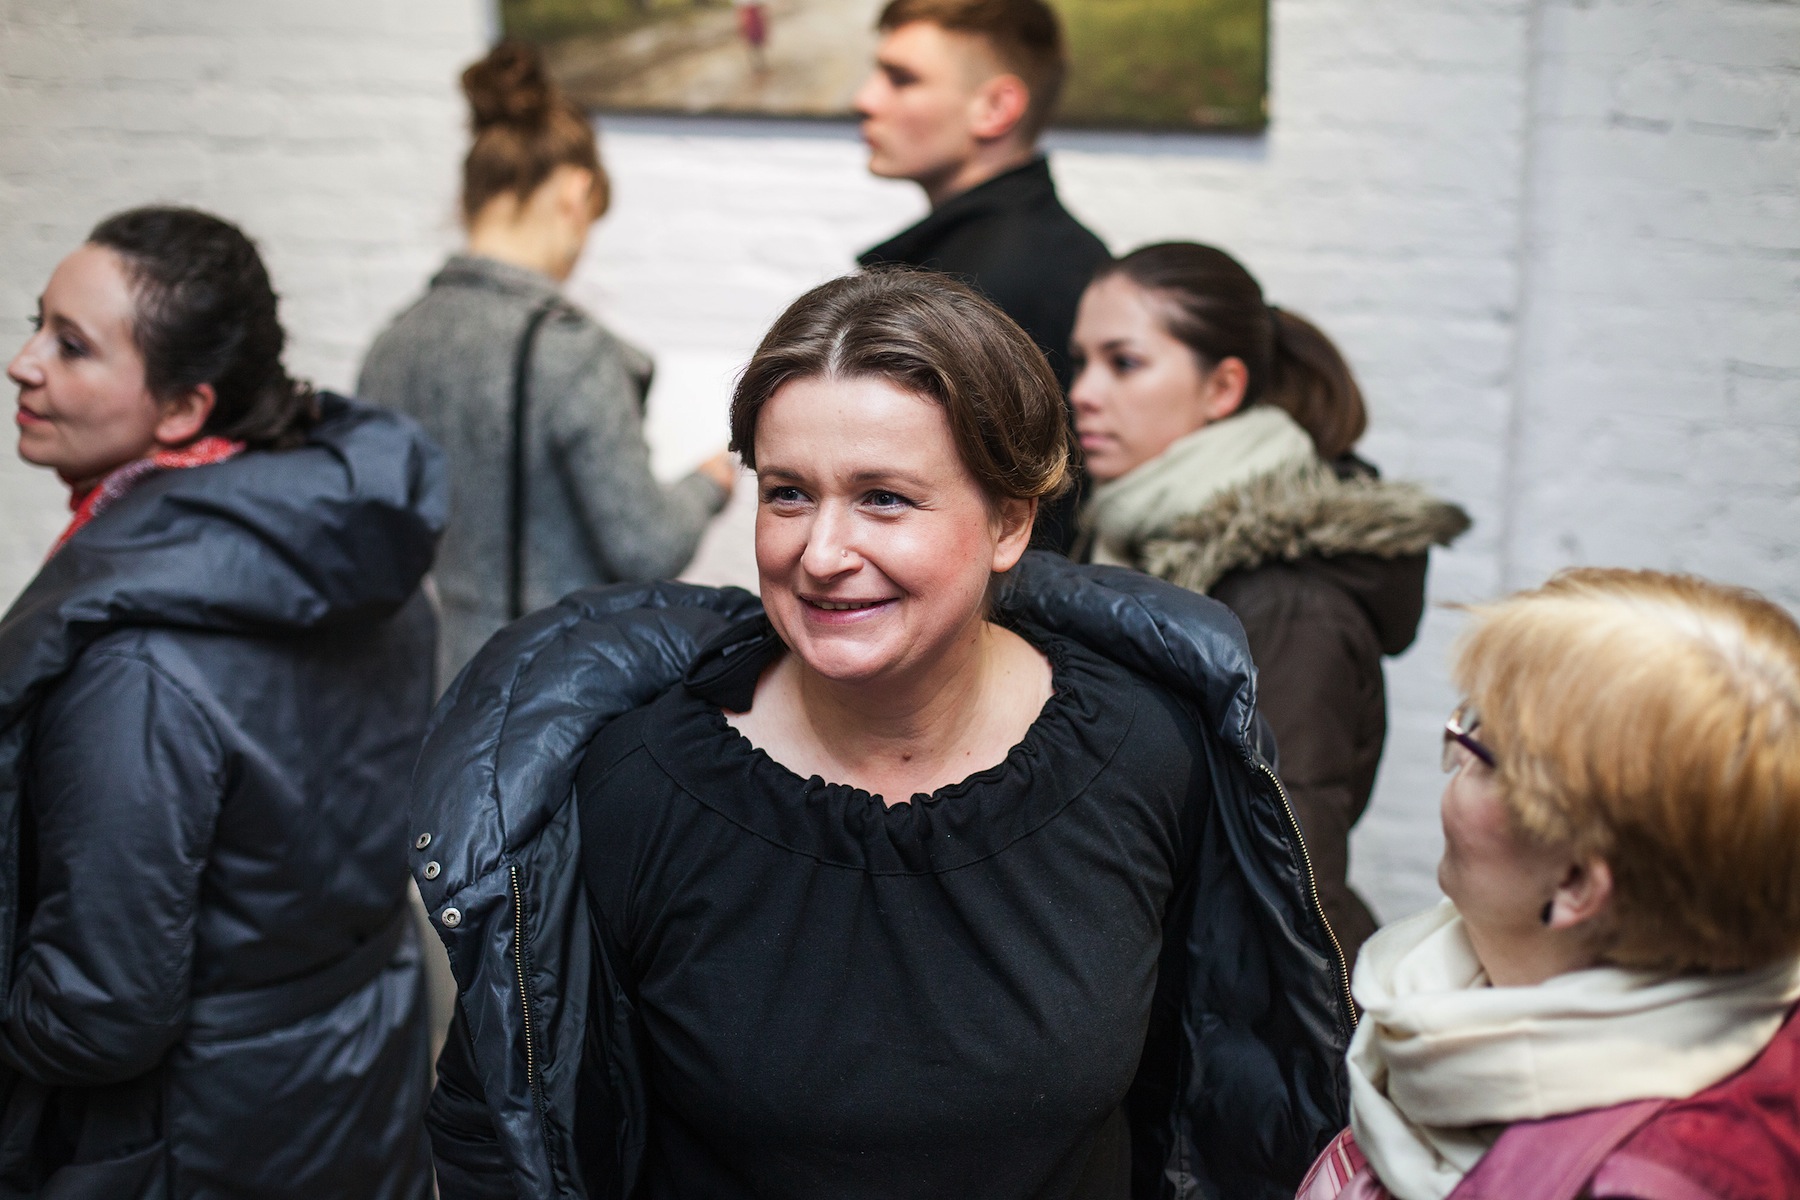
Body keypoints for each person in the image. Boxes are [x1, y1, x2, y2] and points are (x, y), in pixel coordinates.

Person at [410, 270, 1352, 1199]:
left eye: (884, 498)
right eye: (788, 493)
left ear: (1009, 521)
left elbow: (1204, 1104)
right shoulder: (637, 788)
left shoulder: (1146, 757)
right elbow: (501, 1133)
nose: (821, 554)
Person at [0, 206, 441, 1197]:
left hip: (197, 1134)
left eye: (72, 346)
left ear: (183, 409)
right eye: (37, 327)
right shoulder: (361, 560)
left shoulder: (134, 665)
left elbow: (99, 1013)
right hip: (356, 1069)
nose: (24, 364)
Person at [1298, 568, 1800, 1200]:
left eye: (1484, 746)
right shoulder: (1445, 999)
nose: (1457, 749)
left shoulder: (1643, 1181)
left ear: (1574, 884)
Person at [1069, 243, 1470, 965]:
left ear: (1222, 388)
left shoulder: (1287, 599)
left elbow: (1284, 879)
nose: (1084, 392)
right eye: (1082, 361)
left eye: (1123, 363)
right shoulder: (1119, 540)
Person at [359, 40, 736, 683]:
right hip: (558, 686)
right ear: (574, 193)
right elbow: (646, 547)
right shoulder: (570, 350)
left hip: (448, 681)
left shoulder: (394, 343)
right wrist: (709, 483)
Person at [854, 0, 1109, 552]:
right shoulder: (1045, 249)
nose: (866, 100)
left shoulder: (982, 289)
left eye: (902, 79)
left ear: (995, 107)